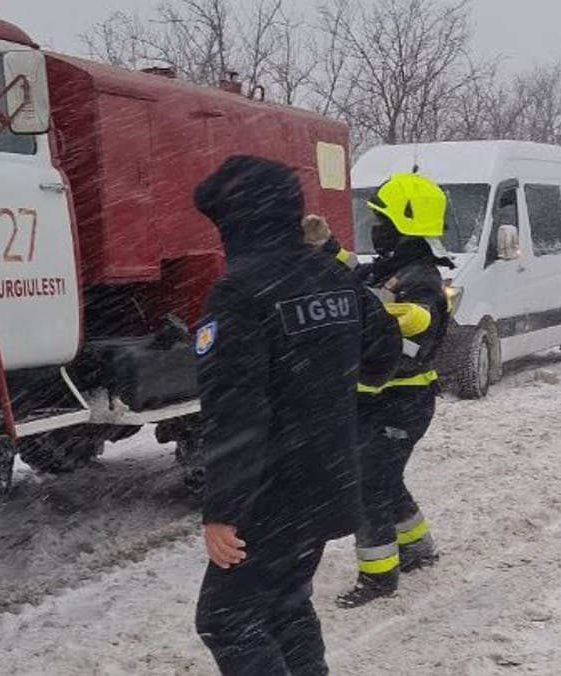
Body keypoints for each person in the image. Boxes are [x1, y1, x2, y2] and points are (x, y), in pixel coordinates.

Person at [192, 155, 402, 674]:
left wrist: (223, 509)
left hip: (272, 490)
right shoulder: (332, 271)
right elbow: (383, 353)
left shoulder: (239, 291)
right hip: (329, 476)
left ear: (235, 221)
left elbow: (236, 409)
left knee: (227, 616)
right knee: (286, 603)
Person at [336, 172, 454, 609]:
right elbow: (362, 277)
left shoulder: (420, 280)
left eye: (380, 217)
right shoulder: (393, 268)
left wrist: (363, 316)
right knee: (385, 478)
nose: (373, 225)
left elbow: (411, 330)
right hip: (383, 400)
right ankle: (419, 548)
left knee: (370, 485)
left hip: (402, 403)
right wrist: (328, 249)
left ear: (403, 225)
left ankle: (379, 578)